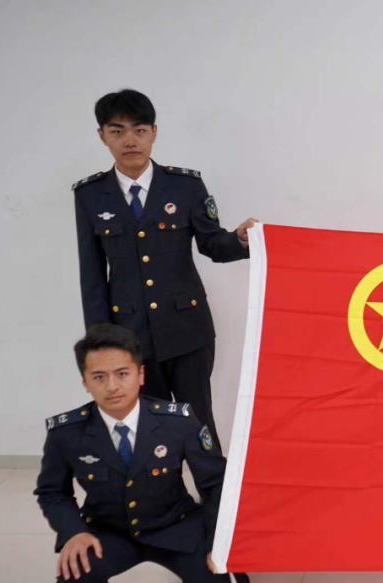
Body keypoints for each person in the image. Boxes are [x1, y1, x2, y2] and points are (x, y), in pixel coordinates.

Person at [35, 324, 251, 583]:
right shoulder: (66, 433)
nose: (112, 386)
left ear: (140, 374)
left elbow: (215, 482)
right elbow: (52, 491)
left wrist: (218, 542)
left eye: (122, 373)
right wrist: (74, 532)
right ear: (85, 382)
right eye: (99, 377)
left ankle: (191, 575)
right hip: (110, 531)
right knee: (74, 574)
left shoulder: (176, 421)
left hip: (175, 524)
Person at [73, 88, 257, 448]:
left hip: (187, 329)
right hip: (129, 336)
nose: (130, 141)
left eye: (139, 130)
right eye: (117, 131)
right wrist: (101, 342)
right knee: (148, 426)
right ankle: (162, 486)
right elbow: (91, 275)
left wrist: (239, 239)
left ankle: (212, 483)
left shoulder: (185, 186)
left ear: (154, 133)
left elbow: (212, 245)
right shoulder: (90, 195)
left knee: (198, 420)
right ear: (102, 136)